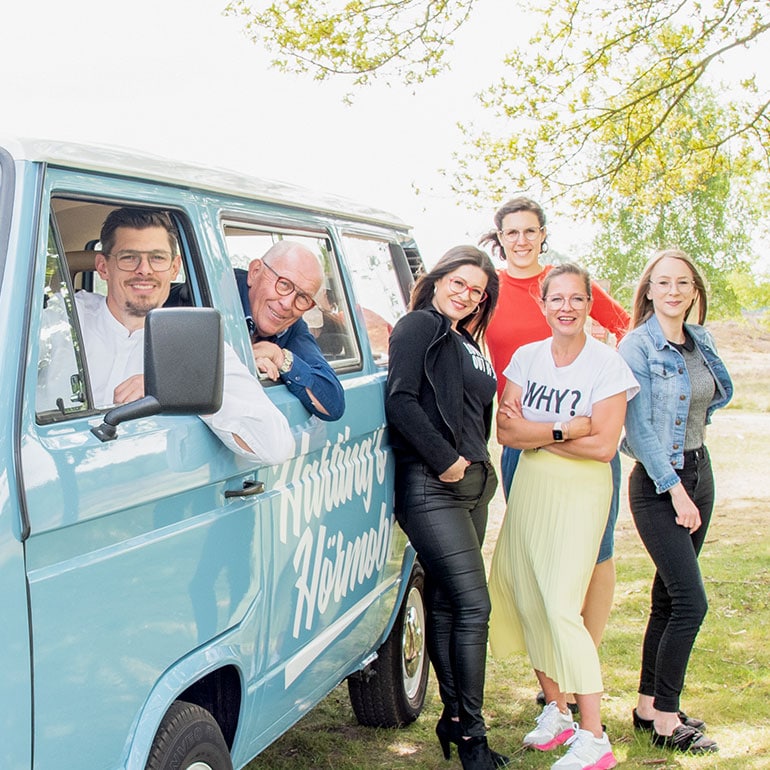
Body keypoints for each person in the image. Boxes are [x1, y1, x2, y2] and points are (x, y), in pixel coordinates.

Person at [488, 263, 638, 770]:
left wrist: (541, 432)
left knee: (558, 603)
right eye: (557, 299)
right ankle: (556, 710)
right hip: (530, 487)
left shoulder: (606, 365)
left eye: (577, 298)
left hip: (581, 493)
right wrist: (563, 428)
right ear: (543, 304)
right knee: (523, 590)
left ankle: (595, 737)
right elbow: (506, 433)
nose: (567, 307)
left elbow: (603, 445)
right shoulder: (527, 358)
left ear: (589, 305)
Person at [480, 197, 629, 707]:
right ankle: (556, 691)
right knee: (534, 562)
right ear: (499, 238)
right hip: (522, 437)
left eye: (530, 231)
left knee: (595, 554)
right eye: (511, 232)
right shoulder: (488, 290)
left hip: (583, 446)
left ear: (544, 233)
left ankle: (578, 664)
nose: (521, 240)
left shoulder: (569, 284)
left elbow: (624, 327)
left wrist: (607, 393)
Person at [385, 246, 507, 770]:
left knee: (448, 603)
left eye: (476, 290)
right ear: (436, 280)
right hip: (433, 486)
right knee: (475, 607)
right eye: (458, 283)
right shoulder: (419, 325)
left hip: (473, 488)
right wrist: (447, 461)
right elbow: (400, 400)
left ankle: (455, 719)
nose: (465, 294)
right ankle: (472, 738)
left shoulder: (463, 339)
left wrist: (477, 470)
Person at [618, 249, 732, 754]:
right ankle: (667, 719)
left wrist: (693, 473)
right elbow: (638, 429)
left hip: (699, 469)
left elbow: (717, 394)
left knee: (668, 597)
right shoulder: (636, 346)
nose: (672, 291)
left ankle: (648, 706)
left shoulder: (699, 339)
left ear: (694, 291)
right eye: (663, 282)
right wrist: (676, 489)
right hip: (660, 483)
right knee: (691, 601)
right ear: (648, 290)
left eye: (682, 283)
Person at [71, 207, 294, 464]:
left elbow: (275, 447)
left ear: (175, 267)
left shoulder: (200, 345)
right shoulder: (62, 320)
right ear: (103, 267)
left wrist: (177, 388)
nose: (144, 270)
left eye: (157, 258)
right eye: (129, 257)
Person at [234, 241, 345, 421]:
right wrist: (241, 359)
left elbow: (333, 404)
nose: (286, 304)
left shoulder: (291, 324)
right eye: (284, 284)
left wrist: (279, 357)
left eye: (302, 297)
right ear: (254, 272)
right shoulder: (209, 294)